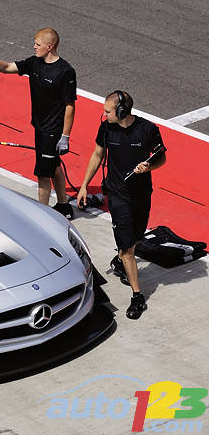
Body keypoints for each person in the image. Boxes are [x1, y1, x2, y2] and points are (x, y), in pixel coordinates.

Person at [77, 91, 166, 320]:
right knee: (127, 248)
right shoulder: (106, 128)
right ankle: (137, 296)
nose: (104, 114)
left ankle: (119, 262)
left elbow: (161, 157)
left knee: (135, 237)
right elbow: (97, 155)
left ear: (122, 111)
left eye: (108, 111)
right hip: (117, 195)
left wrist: (149, 167)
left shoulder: (147, 129)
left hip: (142, 194)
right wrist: (84, 185)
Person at [0, 28, 76, 219]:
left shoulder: (65, 71)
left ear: (49, 47)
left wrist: (65, 136)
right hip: (39, 125)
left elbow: (70, 106)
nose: (34, 47)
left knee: (43, 173)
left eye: (38, 44)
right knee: (53, 165)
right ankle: (64, 205)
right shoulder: (34, 63)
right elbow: (6, 67)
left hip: (52, 130)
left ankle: (43, 215)